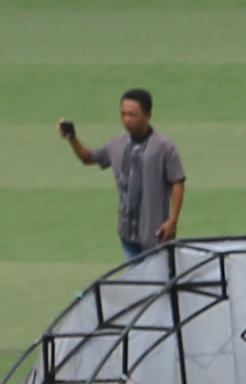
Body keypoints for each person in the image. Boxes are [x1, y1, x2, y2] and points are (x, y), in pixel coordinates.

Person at [57, 89, 185, 262]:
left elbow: (177, 181)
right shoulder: (117, 144)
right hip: (127, 233)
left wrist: (173, 220)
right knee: (137, 281)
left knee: (154, 282)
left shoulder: (163, 147)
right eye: (123, 114)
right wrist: (72, 137)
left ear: (147, 115)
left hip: (155, 233)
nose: (127, 120)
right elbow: (88, 158)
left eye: (132, 115)